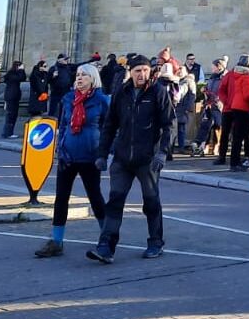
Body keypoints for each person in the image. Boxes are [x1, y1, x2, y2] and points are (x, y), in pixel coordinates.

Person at [87, 54, 175, 264]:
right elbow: (109, 125)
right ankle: (106, 246)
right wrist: (102, 154)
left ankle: (155, 242)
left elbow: (169, 125)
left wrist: (162, 152)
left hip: (148, 159)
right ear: (131, 72)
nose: (142, 74)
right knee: (115, 201)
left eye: (145, 70)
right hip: (122, 158)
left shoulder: (158, 92)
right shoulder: (121, 92)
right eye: (138, 71)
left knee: (151, 202)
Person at [34, 63, 109, 257]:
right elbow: (64, 125)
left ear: (93, 79)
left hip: (90, 157)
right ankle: (56, 241)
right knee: (61, 198)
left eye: (84, 75)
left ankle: (107, 238)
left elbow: (110, 129)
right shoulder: (68, 99)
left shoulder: (101, 100)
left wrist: (103, 153)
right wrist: (60, 149)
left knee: (95, 197)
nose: (79, 78)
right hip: (68, 155)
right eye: (78, 75)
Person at [217, 55, 249, 171]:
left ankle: (232, 158)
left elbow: (222, 89)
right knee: (235, 135)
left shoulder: (233, 74)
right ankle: (230, 159)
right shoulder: (246, 76)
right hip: (237, 107)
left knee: (234, 134)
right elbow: (247, 94)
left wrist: (228, 102)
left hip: (233, 106)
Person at [1, 61, 27, 138]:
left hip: (13, 97)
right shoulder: (11, 74)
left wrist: (21, 71)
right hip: (11, 97)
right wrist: (21, 70)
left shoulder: (13, 74)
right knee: (10, 115)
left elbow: (23, 78)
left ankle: (9, 132)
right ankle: (7, 133)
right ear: (17, 66)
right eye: (21, 66)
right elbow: (21, 78)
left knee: (13, 115)